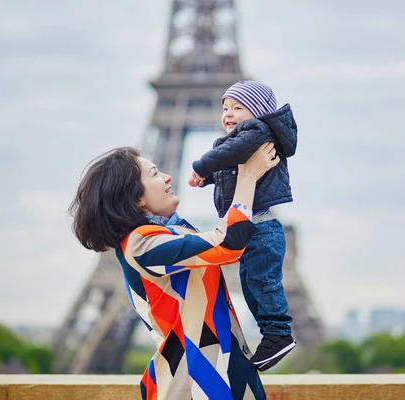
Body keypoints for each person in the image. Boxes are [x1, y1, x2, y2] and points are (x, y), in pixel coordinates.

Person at [69, 143, 279, 400]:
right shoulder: (141, 243)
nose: (167, 177)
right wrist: (247, 176)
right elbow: (228, 242)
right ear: (137, 197)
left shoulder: (169, 234)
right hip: (196, 384)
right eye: (155, 173)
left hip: (222, 377)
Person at [188, 80, 298, 371]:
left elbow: (230, 156)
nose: (228, 113)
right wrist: (209, 177)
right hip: (252, 228)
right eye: (225, 107)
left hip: (262, 229)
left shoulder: (257, 132)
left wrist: (202, 166)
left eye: (238, 107)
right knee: (252, 285)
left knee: (263, 282)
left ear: (259, 112)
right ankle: (271, 334)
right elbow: (230, 168)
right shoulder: (241, 143)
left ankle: (278, 334)